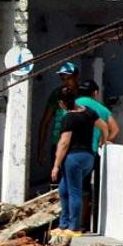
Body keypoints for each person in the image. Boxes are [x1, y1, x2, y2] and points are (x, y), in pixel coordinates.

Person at [50, 87, 108, 237]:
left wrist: (56, 165)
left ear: (62, 103)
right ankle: (63, 225)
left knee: (74, 191)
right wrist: (103, 140)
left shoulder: (68, 117)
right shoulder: (88, 111)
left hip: (73, 158)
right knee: (64, 190)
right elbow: (104, 126)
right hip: (88, 157)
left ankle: (74, 227)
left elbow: (64, 143)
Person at [76, 79, 118, 231]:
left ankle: (69, 223)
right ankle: (83, 223)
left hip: (72, 152)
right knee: (87, 190)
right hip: (92, 153)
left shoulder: (72, 104)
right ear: (95, 93)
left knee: (71, 187)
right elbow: (115, 129)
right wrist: (104, 141)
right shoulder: (102, 109)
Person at [37, 61, 81, 177]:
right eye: (63, 78)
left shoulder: (84, 95)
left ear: (76, 77)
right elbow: (45, 122)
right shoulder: (57, 94)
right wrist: (41, 148)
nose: (66, 82)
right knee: (57, 180)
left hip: (78, 146)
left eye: (68, 78)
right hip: (59, 143)